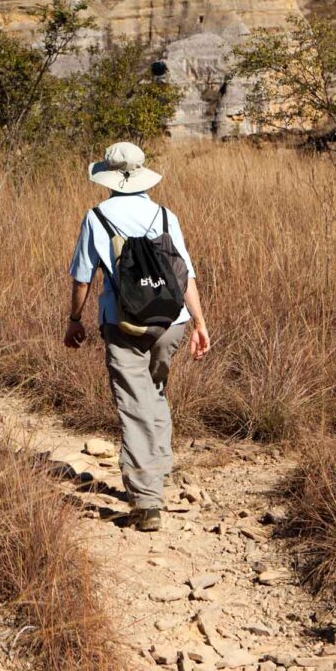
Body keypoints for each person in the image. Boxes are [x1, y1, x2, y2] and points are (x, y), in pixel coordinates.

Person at [65, 141, 210, 532]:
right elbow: (186, 275)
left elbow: (83, 278)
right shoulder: (165, 215)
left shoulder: (97, 217)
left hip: (123, 323)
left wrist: (74, 319)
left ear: (109, 177)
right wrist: (198, 323)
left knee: (134, 403)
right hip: (172, 321)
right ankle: (159, 469)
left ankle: (146, 501)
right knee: (155, 391)